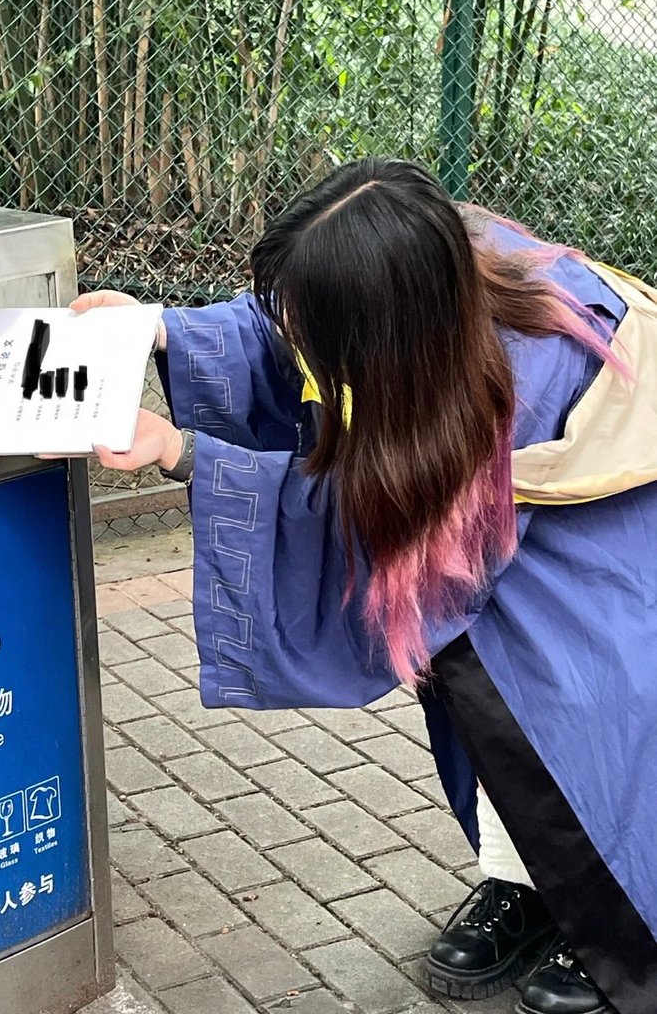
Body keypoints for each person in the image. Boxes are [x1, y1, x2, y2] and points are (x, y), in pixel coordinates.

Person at [71, 158, 657, 1014]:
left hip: (596, 566)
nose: (298, 340)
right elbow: (292, 329)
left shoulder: (520, 382)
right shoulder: (438, 265)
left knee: (553, 706)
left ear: (390, 327)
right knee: (462, 677)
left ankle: (612, 930)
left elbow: (379, 515)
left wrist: (182, 453)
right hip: (506, 531)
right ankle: (522, 887)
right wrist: (158, 329)